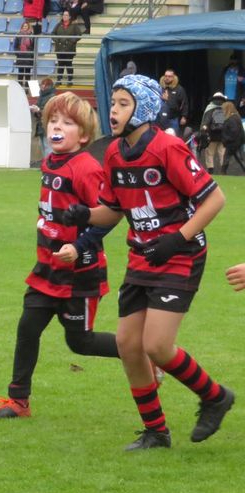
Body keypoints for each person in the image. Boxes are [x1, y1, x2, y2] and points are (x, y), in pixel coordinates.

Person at [63, 74, 235, 450]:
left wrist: (177, 239)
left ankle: (215, 396)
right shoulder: (112, 153)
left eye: (124, 103)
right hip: (142, 256)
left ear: (143, 108)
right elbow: (112, 211)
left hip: (180, 255)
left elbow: (215, 199)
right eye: (113, 102)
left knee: (156, 345)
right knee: (128, 344)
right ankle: (156, 431)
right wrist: (83, 215)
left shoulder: (167, 148)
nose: (114, 110)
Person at [0, 92, 120, 419]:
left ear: (83, 135)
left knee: (80, 343)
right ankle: (18, 401)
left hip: (79, 275)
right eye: (53, 121)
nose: (57, 127)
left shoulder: (86, 168)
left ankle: (140, 354)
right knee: (28, 328)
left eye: (67, 123)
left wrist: (78, 245)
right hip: (47, 269)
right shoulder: (50, 162)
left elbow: (108, 215)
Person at [198, 92, 227, 174]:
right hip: (223, 136)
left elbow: (205, 122)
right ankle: (223, 170)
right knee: (222, 153)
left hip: (212, 136)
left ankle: (210, 169)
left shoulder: (210, 108)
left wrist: (203, 132)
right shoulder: (226, 109)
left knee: (210, 153)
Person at [52, 11, 81, 87]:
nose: (64, 16)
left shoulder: (74, 25)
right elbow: (53, 34)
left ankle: (70, 80)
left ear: (69, 17)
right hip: (60, 48)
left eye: (66, 15)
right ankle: (59, 80)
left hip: (70, 48)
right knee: (60, 64)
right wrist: (57, 41)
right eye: (64, 15)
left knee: (69, 64)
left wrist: (72, 41)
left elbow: (79, 35)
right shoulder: (58, 25)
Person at [30, 77, 56, 159]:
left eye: (45, 85)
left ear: (49, 86)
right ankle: (46, 163)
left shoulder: (52, 97)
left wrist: (38, 110)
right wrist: (35, 110)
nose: (43, 86)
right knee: (43, 146)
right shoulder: (41, 96)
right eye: (42, 84)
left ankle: (49, 164)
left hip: (48, 125)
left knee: (48, 146)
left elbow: (50, 111)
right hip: (41, 124)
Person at [159, 69, 188, 134]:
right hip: (161, 119)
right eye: (166, 76)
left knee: (174, 137)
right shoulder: (159, 88)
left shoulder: (179, 89)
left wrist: (184, 116)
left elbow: (184, 103)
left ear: (174, 77)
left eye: (169, 76)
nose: (167, 78)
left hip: (173, 118)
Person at [220, 100, 245, 175]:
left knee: (226, 158)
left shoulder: (231, 119)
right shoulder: (236, 117)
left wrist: (226, 139)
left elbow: (234, 132)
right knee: (240, 159)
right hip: (238, 142)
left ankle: (223, 173)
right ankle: (223, 172)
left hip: (232, 143)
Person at [14, 22, 35, 87]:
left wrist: (31, 54)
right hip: (21, 56)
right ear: (22, 27)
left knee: (27, 74)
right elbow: (15, 46)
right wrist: (18, 53)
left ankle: (26, 89)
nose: (25, 27)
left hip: (28, 57)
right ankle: (19, 89)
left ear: (28, 27)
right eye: (24, 26)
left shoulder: (32, 36)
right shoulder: (18, 35)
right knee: (20, 73)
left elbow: (34, 47)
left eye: (26, 26)